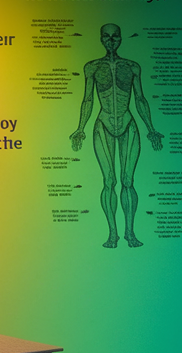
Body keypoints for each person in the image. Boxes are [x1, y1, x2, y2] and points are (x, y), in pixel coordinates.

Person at [69, 23, 163, 248]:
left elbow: (140, 99)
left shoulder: (132, 67)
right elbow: (88, 100)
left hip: (128, 123)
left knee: (128, 181)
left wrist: (151, 129)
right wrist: (80, 128)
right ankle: (113, 234)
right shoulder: (91, 67)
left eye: (115, 37)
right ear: (101, 39)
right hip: (103, 124)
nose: (111, 41)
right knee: (109, 180)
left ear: (120, 39)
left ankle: (130, 233)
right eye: (106, 37)